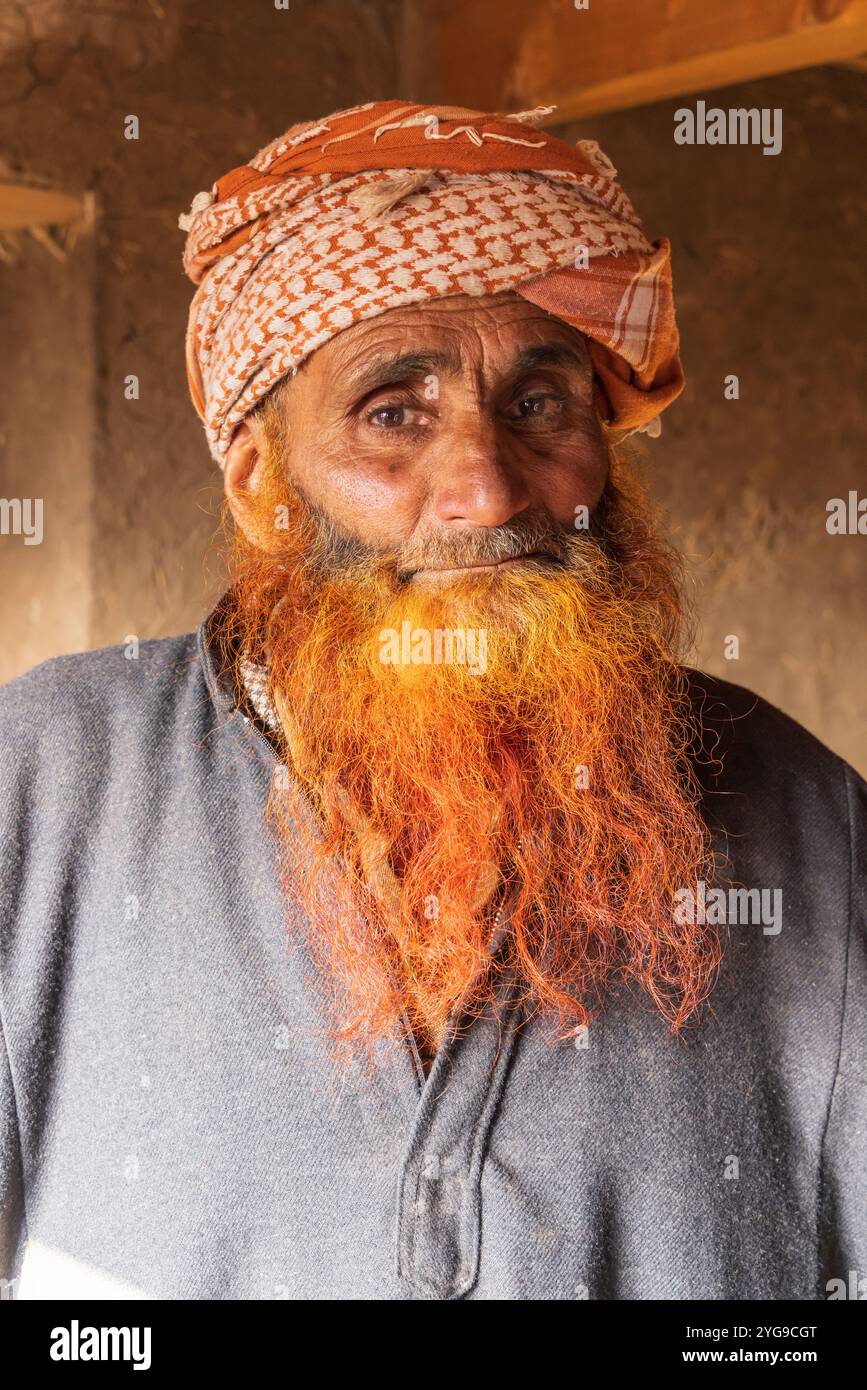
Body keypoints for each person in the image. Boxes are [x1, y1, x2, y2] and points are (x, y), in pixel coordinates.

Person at [0, 100, 863, 1301]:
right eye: (394, 414)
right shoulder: (44, 782)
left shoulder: (814, 825)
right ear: (263, 485)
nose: (486, 490)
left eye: (539, 404)